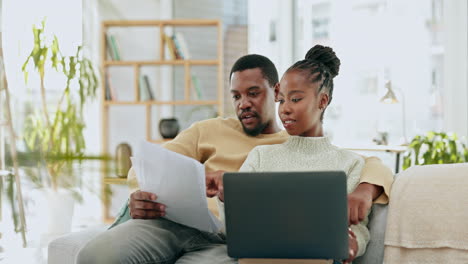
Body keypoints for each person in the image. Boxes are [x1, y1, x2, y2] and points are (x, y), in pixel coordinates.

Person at [77, 53, 393, 264]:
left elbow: (367, 165)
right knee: (96, 256)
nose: (242, 103)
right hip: (173, 224)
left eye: (253, 93)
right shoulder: (209, 130)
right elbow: (154, 165)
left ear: (275, 90)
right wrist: (142, 192)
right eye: (236, 96)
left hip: (227, 242)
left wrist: (365, 190)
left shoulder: (295, 143)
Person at [217, 45, 369, 264]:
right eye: (281, 100)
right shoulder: (260, 156)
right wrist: (224, 198)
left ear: (322, 101)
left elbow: (359, 227)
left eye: (295, 99)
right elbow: (234, 230)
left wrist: (354, 244)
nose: (284, 109)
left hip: (319, 258)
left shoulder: (350, 163)